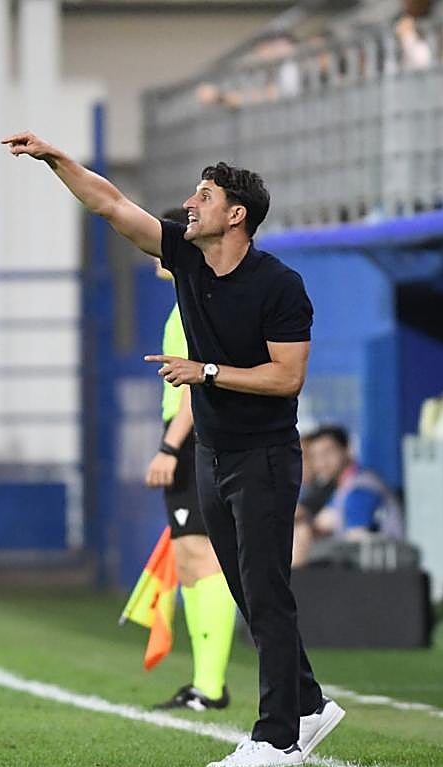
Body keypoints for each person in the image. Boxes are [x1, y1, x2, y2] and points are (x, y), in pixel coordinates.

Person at [3, 131, 345, 767]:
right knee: (248, 591)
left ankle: (277, 737)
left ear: (236, 215)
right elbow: (111, 205)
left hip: (265, 457)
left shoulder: (279, 284)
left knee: (267, 592)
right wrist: (58, 160)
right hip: (213, 455)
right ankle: (309, 702)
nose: (190, 203)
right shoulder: (187, 257)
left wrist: (205, 372)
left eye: (204, 195)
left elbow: (286, 378)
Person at [145, 207, 238, 713]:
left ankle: (211, 684)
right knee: (188, 557)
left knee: (203, 556)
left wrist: (169, 447)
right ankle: (205, 682)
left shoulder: (192, 305)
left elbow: (193, 383)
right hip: (188, 435)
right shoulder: (187, 301)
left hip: (192, 436)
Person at [292, 424, 404, 568]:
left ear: (347, 449)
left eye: (328, 452)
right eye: (316, 456)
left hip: (387, 568)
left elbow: (356, 541)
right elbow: (323, 522)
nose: (322, 462)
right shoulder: (342, 487)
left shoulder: (361, 487)